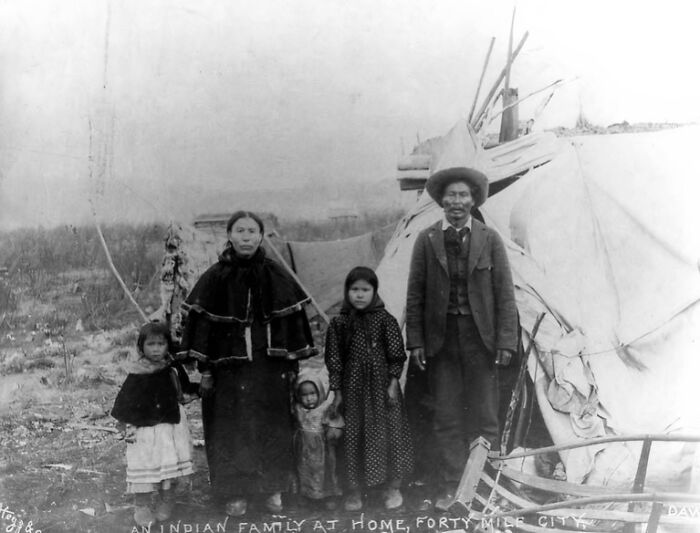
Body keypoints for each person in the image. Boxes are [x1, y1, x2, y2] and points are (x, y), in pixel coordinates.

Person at [178, 210, 318, 516]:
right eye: (239, 231)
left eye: (252, 231)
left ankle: (273, 489)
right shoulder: (215, 277)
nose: (246, 237)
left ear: (261, 236)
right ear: (229, 235)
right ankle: (235, 492)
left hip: (269, 367)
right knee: (231, 428)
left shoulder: (276, 274)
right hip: (228, 370)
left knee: (273, 425)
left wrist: (291, 365)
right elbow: (201, 327)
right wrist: (206, 370)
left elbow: (292, 325)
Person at [405, 167, 518, 510]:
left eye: (463, 195)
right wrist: (417, 342)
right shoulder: (426, 240)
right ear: (441, 201)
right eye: (451, 195)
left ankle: (484, 488)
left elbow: (505, 295)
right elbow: (415, 295)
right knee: (447, 416)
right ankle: (454, 487)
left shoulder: (490, 239)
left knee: (485, 415)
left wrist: (505, 341)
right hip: (441, 342)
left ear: (473, 200)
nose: (457, 202)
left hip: (480, 341)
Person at [325, 266, 413, 511]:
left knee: (389, 433)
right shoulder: (339, 323)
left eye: (365, 290)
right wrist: (337, 392)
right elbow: (334, 360)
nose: (360, 295)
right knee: (353, 436)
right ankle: (354, 491)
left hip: (383, 388)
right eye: (354, 290)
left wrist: (393, 383)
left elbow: (396, 356)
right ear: (347, 292)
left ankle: (391, 487)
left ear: (374, 291)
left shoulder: (386, 320)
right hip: (352, 391)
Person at [111, 321, 199, 527]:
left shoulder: (173, 368)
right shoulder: (137, 373)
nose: (157, 349)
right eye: (151, 344)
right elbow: (124, 402)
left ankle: (167, 499)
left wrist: (204, 388)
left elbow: (184, 390)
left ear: (168, 345)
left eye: (161, 343)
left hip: (170, 426)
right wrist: (126, 425)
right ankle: (141, 505)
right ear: (141, 347)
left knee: (169, 461)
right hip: (145, 429)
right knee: (144, 463)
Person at [292, 370, 344, 509]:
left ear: (320, 392)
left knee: (325, 472)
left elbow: (336, 423)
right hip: (305, 450)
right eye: (304, 395)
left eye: (312, 394)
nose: (309, 398)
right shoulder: (298, 409)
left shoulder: (325, 409)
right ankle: (307, 495)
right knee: (305, 472)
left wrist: (333, 432)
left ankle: (328, 496)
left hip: (322, 450)